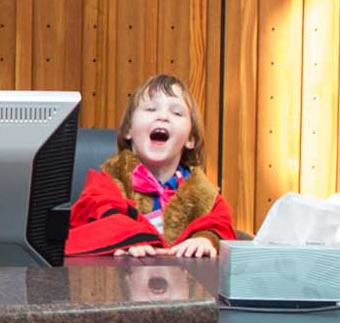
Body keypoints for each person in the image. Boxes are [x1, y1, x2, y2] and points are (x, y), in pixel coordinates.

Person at [64, 74, 235, 258]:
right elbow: (85, 227)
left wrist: (206, 239)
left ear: (191, 139)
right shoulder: (105, 184)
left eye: (176, 113)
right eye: (151, 109)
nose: (162, 116)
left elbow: (223, 229)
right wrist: (130, 239)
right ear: (129, 129)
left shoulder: (207, 198)